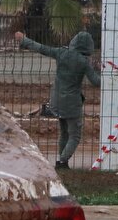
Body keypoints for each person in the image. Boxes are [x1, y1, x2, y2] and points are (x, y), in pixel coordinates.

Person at [15, 29, 101, 170]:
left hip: (57, 100)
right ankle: (62, 162)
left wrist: (24, 39)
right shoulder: (84, 62)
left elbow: (42, 48)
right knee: (75, 135)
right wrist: (114, 78)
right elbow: (96, 81)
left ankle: (63, 163)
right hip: (72, 103)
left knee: (64, 132)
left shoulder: (61, 53)